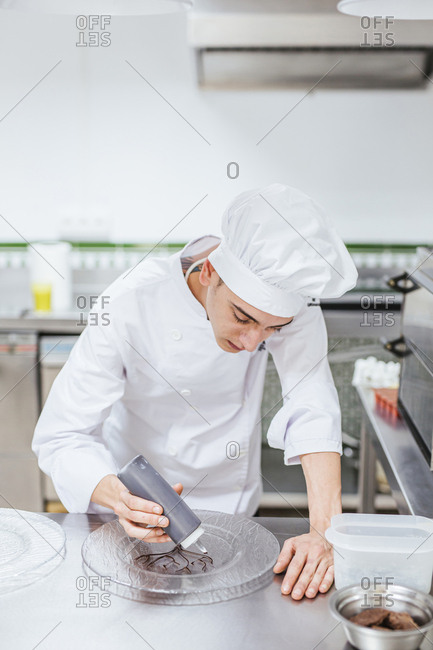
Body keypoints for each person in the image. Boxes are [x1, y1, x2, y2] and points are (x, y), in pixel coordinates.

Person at [33, 183, 358, 600]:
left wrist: (324, 532)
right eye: (242, 318)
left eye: (271, 330)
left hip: (232, 517)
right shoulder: (130, 302)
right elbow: (62, 435)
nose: (251, 343)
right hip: (124, 521)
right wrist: (115, 495)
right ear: (209, 273)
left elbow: (312, 404)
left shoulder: (292, 304)